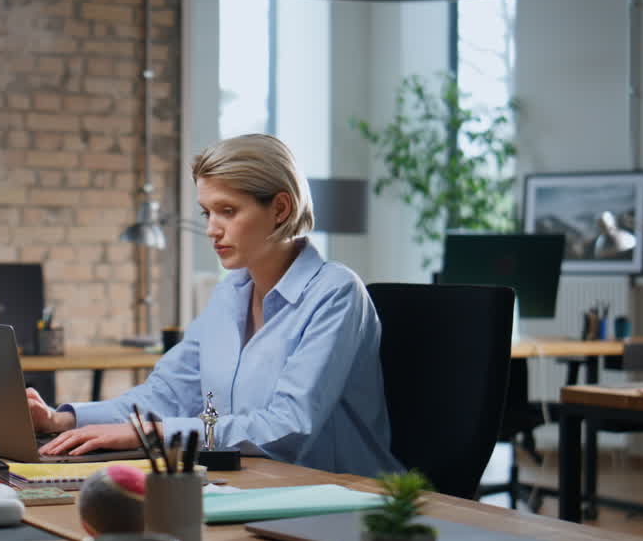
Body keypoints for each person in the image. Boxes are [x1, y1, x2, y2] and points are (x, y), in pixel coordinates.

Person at [27, 134, 400, 477]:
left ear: (281, 209)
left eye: (228, 211)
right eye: (208, 213)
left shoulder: (335, 293)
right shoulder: (229, 294)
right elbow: (167, 395)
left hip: (344, 498)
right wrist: (62, 420)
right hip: (251, 485)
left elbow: (287, 427)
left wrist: (153, 435)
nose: (212, 229)